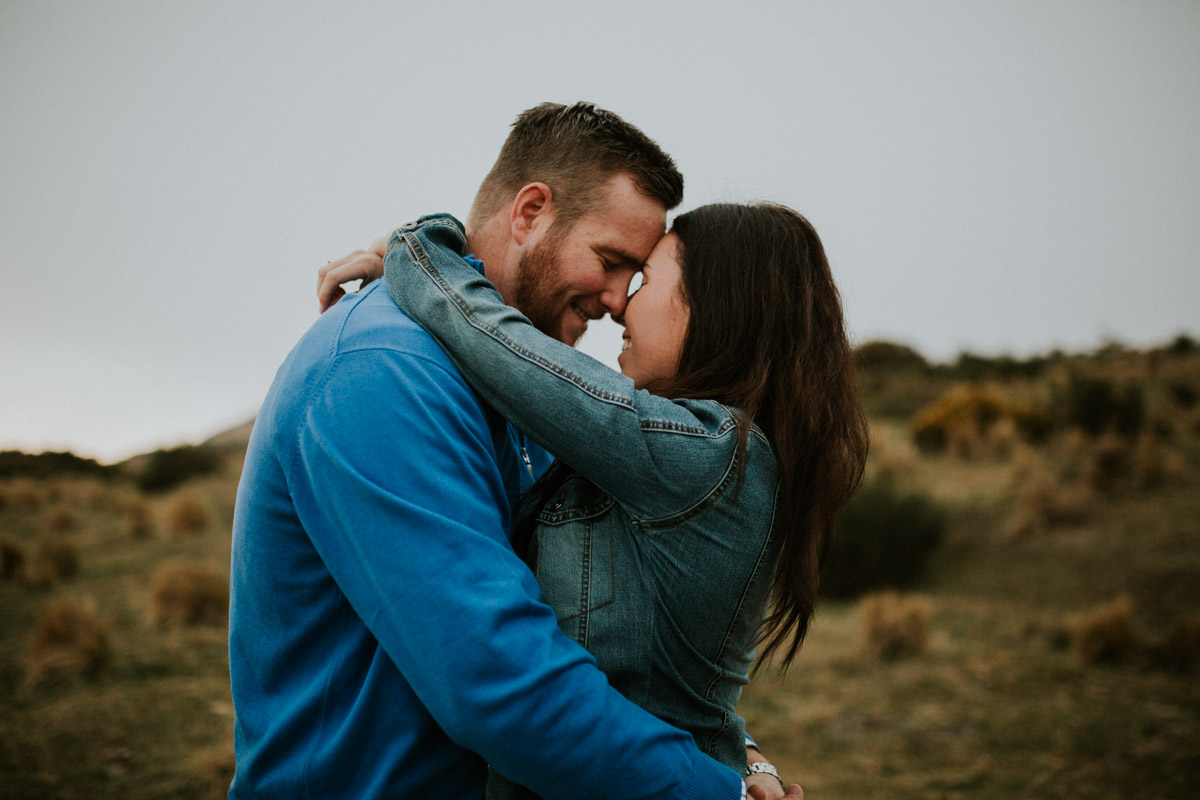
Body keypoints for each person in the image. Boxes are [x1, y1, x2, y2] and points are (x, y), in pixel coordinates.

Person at [230, 102, 794, 800]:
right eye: (613, 262)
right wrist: (713, 791)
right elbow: (495, 678)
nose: (618, 301)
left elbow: (621, 640)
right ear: (529, 212)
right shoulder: (381, 369)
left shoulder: (530, 389)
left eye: (639, 278)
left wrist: (736, 751)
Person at [327, 202, 867, 799]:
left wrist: (420, 246)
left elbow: (495, 344)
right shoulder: (691, 456)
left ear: (717, 306)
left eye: (645, 281)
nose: (622, 306)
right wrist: (751, 763)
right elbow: (673, 682)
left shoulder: (707, 453)